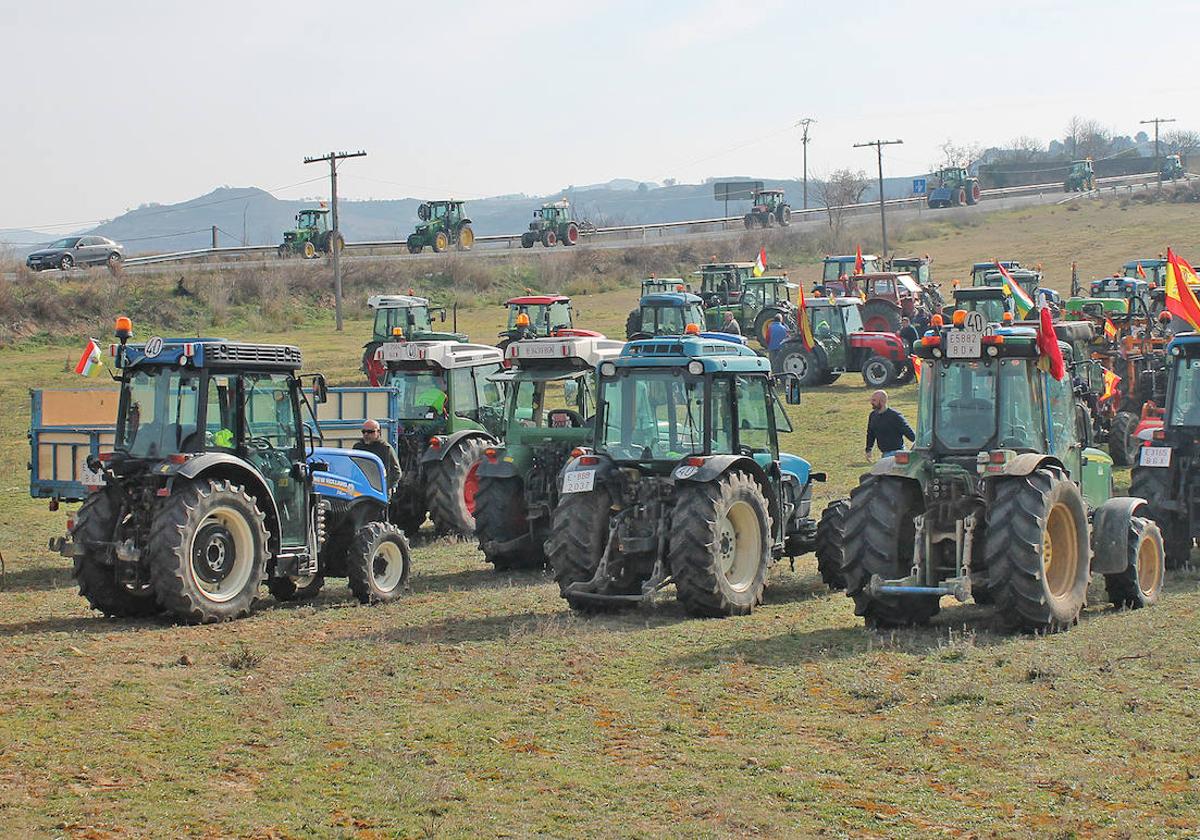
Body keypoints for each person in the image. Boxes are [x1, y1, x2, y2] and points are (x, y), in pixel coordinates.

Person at [865, 390, 915, 461]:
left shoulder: (895, 416)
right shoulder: (873, 416)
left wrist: (918, 443)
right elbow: (870, 433)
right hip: (885, 454)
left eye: (874, 400)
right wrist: (868, 450)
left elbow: (909, 433)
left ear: (882, 401)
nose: (871, 402)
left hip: (897, 454)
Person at [355, 419, 401, 492]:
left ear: (378, 432)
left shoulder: (385, 448)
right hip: (362, 488)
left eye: (370, 432)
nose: (366, 434)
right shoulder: (358, 447)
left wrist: (385, 487)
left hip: (379, 491)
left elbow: (396, 472)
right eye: (364, 432)